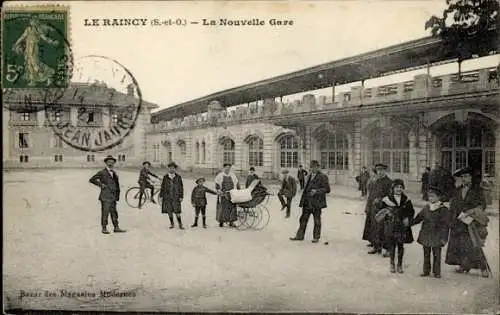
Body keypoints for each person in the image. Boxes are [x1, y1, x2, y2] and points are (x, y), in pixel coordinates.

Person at [445, 167, 489, 278]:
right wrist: (452, 217)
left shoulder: (477, 190)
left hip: (471, 221)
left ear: (471, 178)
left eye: (467, 176)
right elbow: (453, 205)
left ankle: (484, 268)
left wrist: (471, 213)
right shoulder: (457, 190)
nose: (464, 179)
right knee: (459, 244)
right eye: (463, 177)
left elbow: (482, 205)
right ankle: (463, 265)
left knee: (475, 244)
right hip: (459, 221)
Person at [376, 179, 414, 274]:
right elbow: (380, 210)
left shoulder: (406, 200)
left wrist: (407, 218)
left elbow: (411, 211)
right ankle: (392, 263)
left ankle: (399, 265)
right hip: (391, 225)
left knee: (401, 245)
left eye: (401, 187)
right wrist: (386, 213)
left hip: (401, 226)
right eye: (397, 187)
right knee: (392, 246)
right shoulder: (387, 199)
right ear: (392, 188)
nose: (399, 189)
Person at [412, 187, 450, 278]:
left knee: (437, 254)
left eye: (433, 196)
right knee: (426, 253)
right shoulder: (426, 207)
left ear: (439, 197)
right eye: (429, 196)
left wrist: (444, 238)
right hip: (426, 234)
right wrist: (409, 223)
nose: (431, 198)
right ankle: (426, 271)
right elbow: (418, 218)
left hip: (437, 235)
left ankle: (437, 272)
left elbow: (446, 225)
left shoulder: (443, 209)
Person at [290, 160, 331, 243]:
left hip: (316, 203)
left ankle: (316, 237)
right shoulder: (309, 176)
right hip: (307, 202)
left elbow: (327, 189)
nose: (312, 169)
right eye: (311, 167)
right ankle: (299, 236)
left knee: (317, 220)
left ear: (318, 167)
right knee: (303, 219)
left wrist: (316, 191)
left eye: (314, 167)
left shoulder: (323, 177)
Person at [89, 155, 126, 234]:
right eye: (109, 162)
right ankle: (104, 228)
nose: (111, 163)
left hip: (113, 196)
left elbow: (117, 185)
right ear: (106, 163)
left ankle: (116, 227)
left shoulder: (114, 173)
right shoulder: (102, 172)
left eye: (112, 162)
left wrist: (117, 195)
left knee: (114, 212)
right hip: (105, 196)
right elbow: (92, 179)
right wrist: (101, 184)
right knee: (105, 212)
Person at [364, 163, 393, 256]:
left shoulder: (389, 182)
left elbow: (391, 196)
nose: (380, 172)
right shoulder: (374, 180)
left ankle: (386, 248)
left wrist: (381, 200)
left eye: (382, 170)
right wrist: (367, 207)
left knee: (384, 229)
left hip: (383, 208)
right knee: (374, 227)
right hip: (373, 208)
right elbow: (370, 194)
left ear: (385, 171)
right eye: (378, 170)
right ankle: (376, 247)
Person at [215, 163, 240, 227]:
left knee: (232, 208)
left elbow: (237, 183)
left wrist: (238, 191)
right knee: (223, 208)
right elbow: (217, 184)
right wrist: (218, 190)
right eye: (226, 167)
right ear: (224, 168)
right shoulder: (220, 175)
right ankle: (221, 222)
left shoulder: (233, 175)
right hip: (223, 194)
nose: (227, 169)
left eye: (229, 168)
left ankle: (231, 222)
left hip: (232, 194)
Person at [160, 162, 184, 229]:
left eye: (173, 168)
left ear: (175, 169)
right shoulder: (165, 177)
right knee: (169, 211)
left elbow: (181, 187)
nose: (172, 169)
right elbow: (162, 187)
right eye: (170, 168)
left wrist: (181, 196)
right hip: (167, 197)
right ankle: (172, 223)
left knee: (177, 211)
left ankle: (180, 224)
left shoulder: (178, 177)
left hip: (176, 197)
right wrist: (161, 196)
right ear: (168, 168)